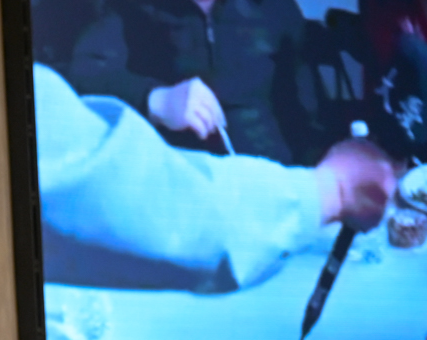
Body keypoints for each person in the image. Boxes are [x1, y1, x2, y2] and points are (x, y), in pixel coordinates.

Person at [34, 63, 396, 291]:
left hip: (275, 240)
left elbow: (304, 114)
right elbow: (143, 202)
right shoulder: (127, 6)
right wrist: (151, 97)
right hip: (220, 245)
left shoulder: (271, 3)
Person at [69, 0, 322, 165]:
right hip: (182, 187)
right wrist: (156, 99)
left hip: (267, 184)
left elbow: (310, 115)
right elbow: (82, 75)